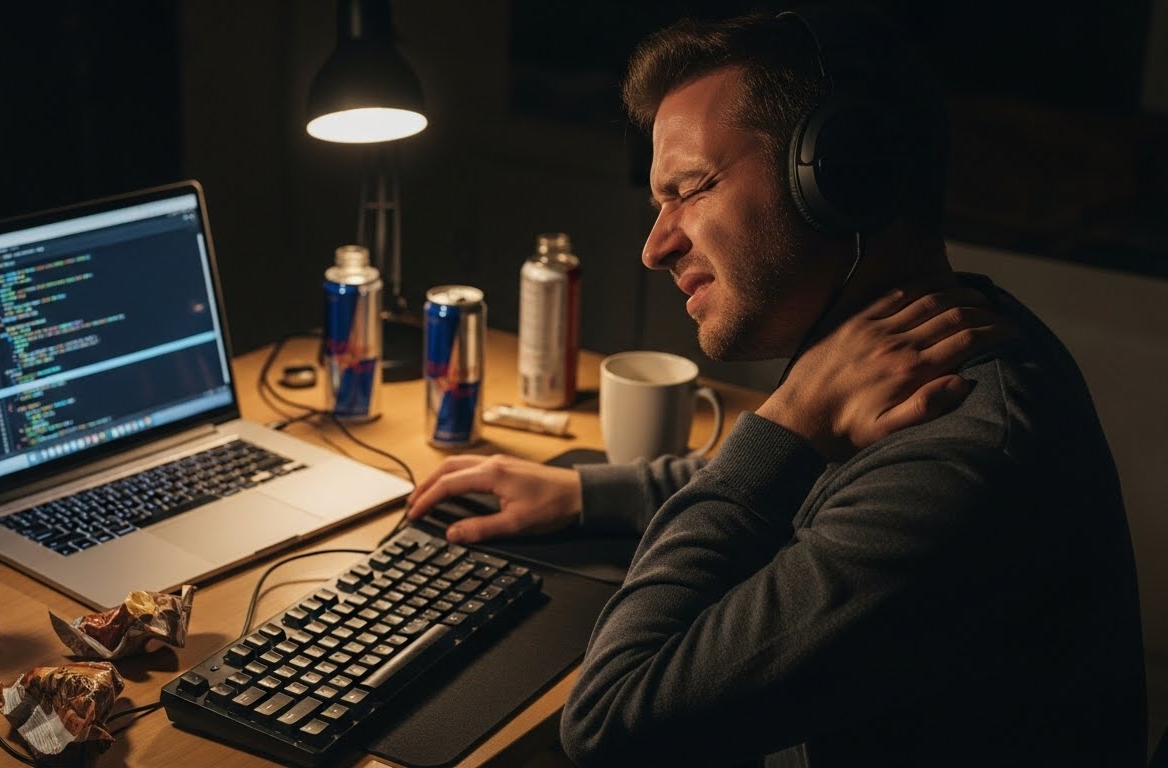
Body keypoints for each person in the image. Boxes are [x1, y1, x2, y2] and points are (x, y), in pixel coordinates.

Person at [406, 8, 1146, 767]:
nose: (655, 247)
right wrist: (584, 494)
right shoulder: (946, 331)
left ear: (838, 174)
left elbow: (609, 719)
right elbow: (827, 488)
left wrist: (784, 421)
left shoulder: (958, 456)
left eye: (689, 188)